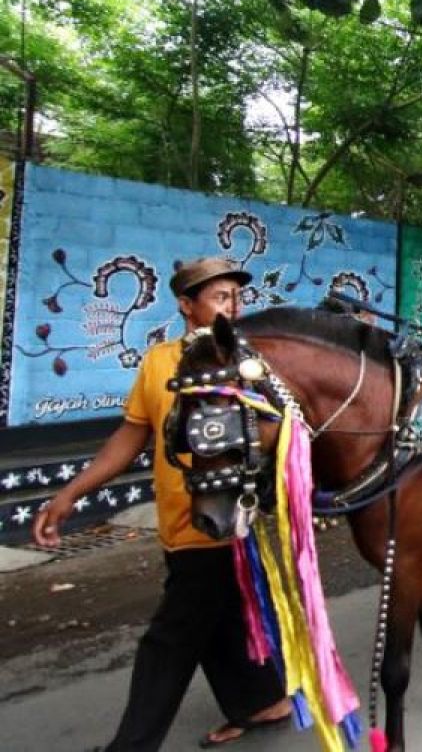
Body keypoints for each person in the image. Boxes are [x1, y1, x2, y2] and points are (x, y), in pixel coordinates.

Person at [32, 257, 290, 750]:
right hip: (175, 524)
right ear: (186, 305)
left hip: (222, 523)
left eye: (237, 296)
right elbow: (130, 437)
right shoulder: (158, 362)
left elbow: (283, 429)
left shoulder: (250, 362)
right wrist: (70, 494)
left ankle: (131, 745)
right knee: (216, 618)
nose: (233, 306)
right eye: (221, 296)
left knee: (170, 639)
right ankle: (261, 701)